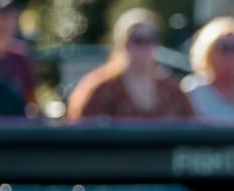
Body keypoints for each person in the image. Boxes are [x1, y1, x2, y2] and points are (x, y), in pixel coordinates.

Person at [66, 8, 195, 122]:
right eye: (138, 40)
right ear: (123, 44)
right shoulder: (101, 88)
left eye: (151, 39)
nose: (146, 46)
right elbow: (82, 128)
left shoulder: (171, 91)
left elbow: (191, 126)